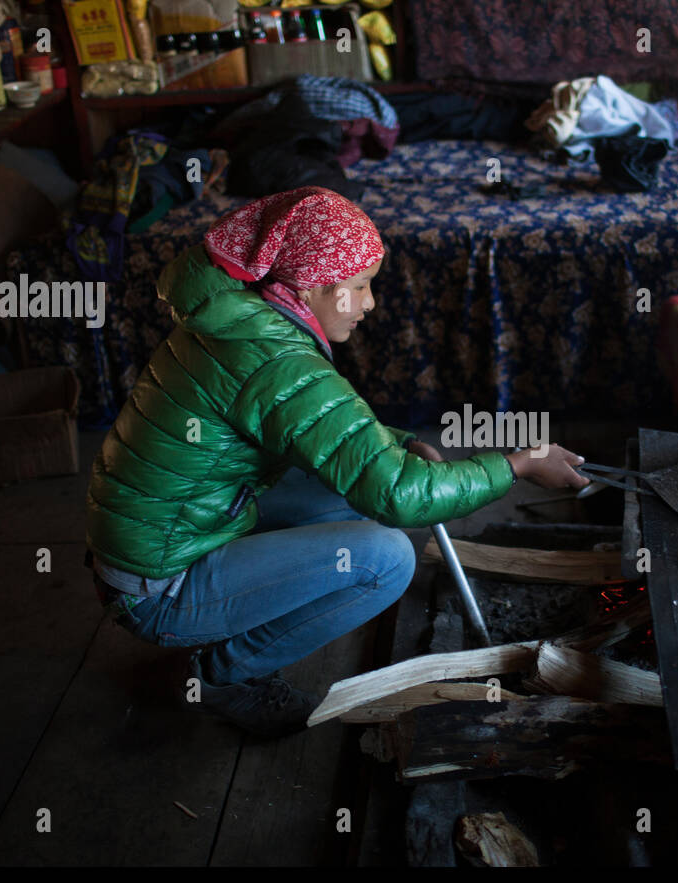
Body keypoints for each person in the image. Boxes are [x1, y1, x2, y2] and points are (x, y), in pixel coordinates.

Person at [84, 186, 590, 737]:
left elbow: (315, 433)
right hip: (158, 588)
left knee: (349, 488)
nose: (369, 303)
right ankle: (223, 675)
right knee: (386, 557)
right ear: (308, 286)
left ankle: (230, 615)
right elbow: (399, 494)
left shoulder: (237, 318)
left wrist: (392, 444)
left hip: (167, 531)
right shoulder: (276, 359)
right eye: (358, 287)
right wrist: (518, 465)